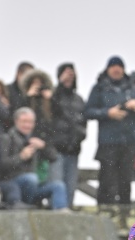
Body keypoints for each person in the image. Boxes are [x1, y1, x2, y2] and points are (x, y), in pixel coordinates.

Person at [84, 56, 135, 204]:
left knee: (125, 180)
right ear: (107, 69)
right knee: (107, 179)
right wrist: (108, 113)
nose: (116, 69)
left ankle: (124, 213)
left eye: (119, 66)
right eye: (113, 66)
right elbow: (88, 111)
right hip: (107, 142)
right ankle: (104, 211)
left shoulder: (132, 88)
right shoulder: (99, 88)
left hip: (129, 142)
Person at [0, 107, 67, 211]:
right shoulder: (6, 138)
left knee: (58, 186)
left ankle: (61, 213)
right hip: (14, 185)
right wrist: (21, 157)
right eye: (24, 121)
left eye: (30, 122)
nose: (27, 125)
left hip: (34, 185)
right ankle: (25, 206)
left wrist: (44, 146)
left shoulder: (35, 139)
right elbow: (2, 165)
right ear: (16, 121)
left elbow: (54, 157)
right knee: (31, 178)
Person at [50, 63, 87, 208]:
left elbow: (83, 123)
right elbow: (51, 111)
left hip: (74, 150)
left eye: (71, 73)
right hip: (56, 150)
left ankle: (69, 214)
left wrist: (80, 136)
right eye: (65, 73)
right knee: (57, 185)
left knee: (70, 186)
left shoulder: (79, 99)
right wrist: (59, 85)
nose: (69, 76)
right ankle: (57, 214)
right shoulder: (53, 95)